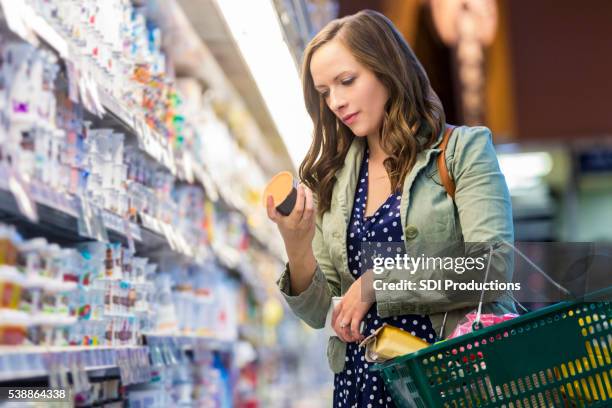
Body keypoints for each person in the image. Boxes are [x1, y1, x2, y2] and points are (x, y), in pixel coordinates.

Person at [266, 9, 515, 407]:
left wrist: (378, 282)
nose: (336, 102)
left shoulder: (461, 152)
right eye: (325, 92)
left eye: (347, 81)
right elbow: (316, 312)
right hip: (362, 383)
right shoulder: (336, 178)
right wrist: (295, 243)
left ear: (387, 70)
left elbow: (493, 266)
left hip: (448, 378)